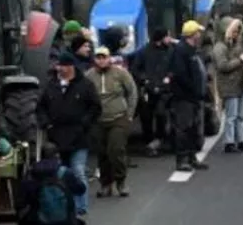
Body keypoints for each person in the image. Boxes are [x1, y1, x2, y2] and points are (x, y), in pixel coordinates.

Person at [37, 51, 100, 221]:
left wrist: (84, 123)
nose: (60, 69)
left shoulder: (85, 85)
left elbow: (95, 107)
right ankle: (65, 205)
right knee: (62, 173)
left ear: (71, 66)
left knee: (78, 170)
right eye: (59, 65)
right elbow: (41, 107)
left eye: (63, 66)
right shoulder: (51, 86)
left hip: (78, 137)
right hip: (57, 137)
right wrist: (46, 123)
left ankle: (81, 207)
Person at [85, 46, 138, 198]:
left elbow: (132, 92)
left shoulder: (120, 73)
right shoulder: (89, 75)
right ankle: (105, 184)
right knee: (102, 153)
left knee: (116, 150)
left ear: (109, 58)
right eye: (98, 58)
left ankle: (121, 182)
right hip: (99, 120)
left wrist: (129, 114)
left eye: (104, 57)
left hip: (118, 117)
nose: (101, 61)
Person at [169, 20, 210, 173]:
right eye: (198, 32)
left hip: (194, 97)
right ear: (192, 34)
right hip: (184, 98)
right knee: (183, 128)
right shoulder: (181, 51)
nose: (200, 34)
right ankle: (182, 160)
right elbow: (180, 75)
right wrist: (193, 89)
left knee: (193, 128)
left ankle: (192, 157)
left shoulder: (192, 50)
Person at [212, 17, 243, 154]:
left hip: (239, 83)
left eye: (238, 31)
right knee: (231, 116)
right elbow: (222, 66)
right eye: (234, 31)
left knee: (240, 116)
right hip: (229, 85)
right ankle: (229, 142)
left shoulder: (237, 45)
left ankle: (241, 140)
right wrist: (240, 61)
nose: (236, 34)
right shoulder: (220, 47)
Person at [19, 145, 88, 225]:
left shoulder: (31, 173)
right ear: (57, 156)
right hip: (65, 221)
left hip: (38, 220)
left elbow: (21, 201)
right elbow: (81, 189)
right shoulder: (65, 172)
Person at [131, 27, 173, 156]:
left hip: (164, 90)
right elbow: (135, 69)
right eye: (168, 36)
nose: (170, 39)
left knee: (161, 114)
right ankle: (149, 142)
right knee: (146, 117)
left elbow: (174, 67)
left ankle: (160, 139)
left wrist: (169, 77)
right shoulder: (144, 52)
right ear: (161, 38)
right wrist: (145, 80)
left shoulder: (170, 52)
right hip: (148, 90)